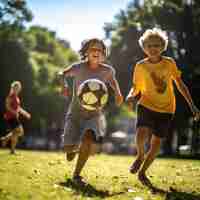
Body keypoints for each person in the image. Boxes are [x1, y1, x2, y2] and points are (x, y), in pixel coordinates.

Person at [126, 28, 200, 187]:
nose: (153, 48)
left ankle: (143, 172)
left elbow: (180, 84)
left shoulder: (169, 63)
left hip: (166, 109)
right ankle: (139, 156)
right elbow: (135, 86)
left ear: (163, 46)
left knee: (156, 144)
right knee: (141, 133)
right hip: (146, 104)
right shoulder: (140, 66)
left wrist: (192, 105)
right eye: (149, 45)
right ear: (144, 47)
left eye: (157, 45)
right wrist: (131, 95)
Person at [58, 38, 123, 185]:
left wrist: (118, 93)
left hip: (94, 114)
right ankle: (72, 147)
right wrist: (63, 86)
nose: (96, 52)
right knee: (68, 150)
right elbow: (61, 73)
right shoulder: (78, 67)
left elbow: (112, 80)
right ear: (86, 52)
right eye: (93, 49)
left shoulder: (108, 70)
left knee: (89, 137)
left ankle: (77, 175)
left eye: (99, 50)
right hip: (75, 113)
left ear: (103, 54)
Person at [0, 81, 31, 154]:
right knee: (20, 131)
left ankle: (7, 142)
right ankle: (7, 142)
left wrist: (25, 113)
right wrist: (14, 112)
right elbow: (7, 106)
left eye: (18, 88)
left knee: (16, 132)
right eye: (16, 88)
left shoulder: (16, 97)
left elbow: (18, 108)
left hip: (14, 117)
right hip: (10, 117)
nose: (17, 89)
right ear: (13, 88)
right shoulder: (10, 96)